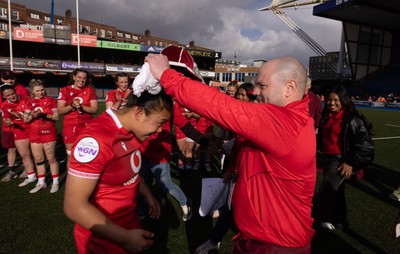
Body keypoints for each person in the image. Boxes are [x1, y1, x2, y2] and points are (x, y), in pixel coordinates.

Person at [146, 54, 316, 253]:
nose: (255, 92)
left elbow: (223, 107)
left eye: (262, 86)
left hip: (274, 245)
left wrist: (167, 76)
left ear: (289, 88)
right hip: (261, 238)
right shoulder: (290, 122)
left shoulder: (285, 122)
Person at [63, 89, 173, 254]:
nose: (159, 131)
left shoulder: (131, 130)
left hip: (129, 225)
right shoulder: (96, 140)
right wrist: (125, 238)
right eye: (160, 123)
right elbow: (73, 206)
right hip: (102, 239)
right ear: (139, 112)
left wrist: (148, 195)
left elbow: (130, 171)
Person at [313, 86, 374, 230]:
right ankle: (340, 220)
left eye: (336, 100)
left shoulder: (352, 119)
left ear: (343, 101)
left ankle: (323, 219)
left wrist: (350, 163)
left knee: (327, 190)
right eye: (329, 100)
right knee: (337, 191)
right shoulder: (327, 116)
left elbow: (366, 146)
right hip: (327, 158)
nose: (331, 103)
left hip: (340, 160)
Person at [22, 79, 60, 193]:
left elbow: (56, 117)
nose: (41, 92)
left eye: (42, 90)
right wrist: (32, 116)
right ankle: (41, 182)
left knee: (51, 159)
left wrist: (43, 114)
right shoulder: (29, 102)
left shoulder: (51, 101)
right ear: (33, 92)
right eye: (38, 91)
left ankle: (55, 182)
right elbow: (26, 119)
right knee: (38, 159)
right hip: (35, 134)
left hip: (48, 133)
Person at [57, 68, 98, 169]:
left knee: (86, 156)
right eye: (79, 77)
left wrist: (82, 107)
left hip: (86, 127)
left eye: (84, 78)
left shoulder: (90, 91)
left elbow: (94, 109)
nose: (81, 80)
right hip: (70, 127)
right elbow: (60, 110)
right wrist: (72, 106)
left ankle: (85, 178)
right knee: (71, 155)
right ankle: (72, 180)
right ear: (74, 77)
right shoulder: (65, 90)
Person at [0, 85, 36, 186]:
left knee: (37, 155)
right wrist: (9, 122)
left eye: (13, 93)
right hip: (19, 130)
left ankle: (42, 176)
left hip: (33, 128)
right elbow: (6, 119)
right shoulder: (4, 105)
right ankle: (31, 176)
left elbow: (31, 115)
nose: (12, 96)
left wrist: (22, 115)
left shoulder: (26, 99)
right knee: (25, 155)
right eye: (8, 95)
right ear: (4, 97)